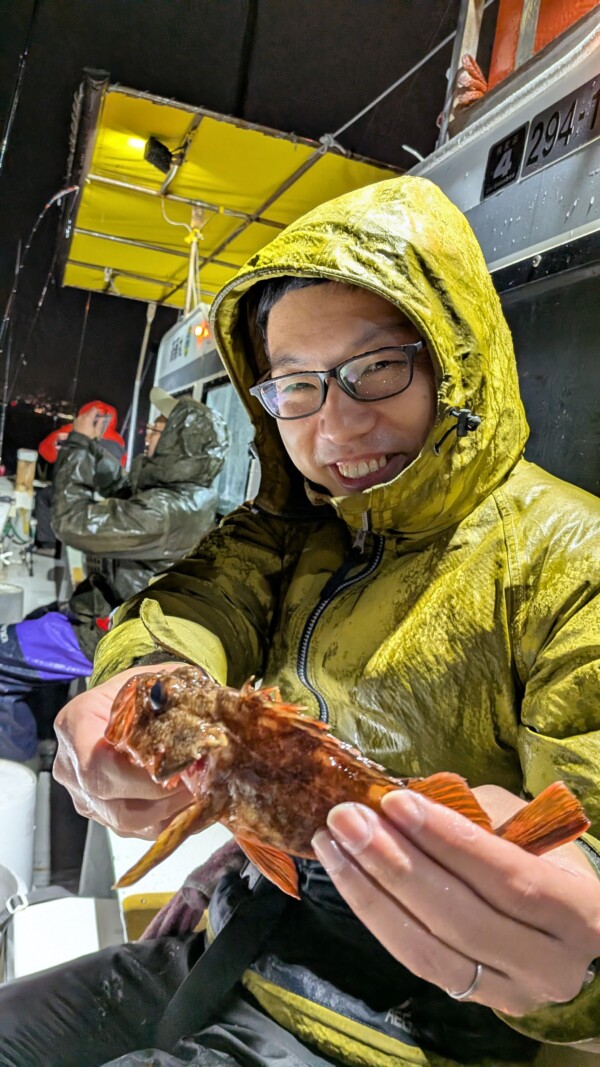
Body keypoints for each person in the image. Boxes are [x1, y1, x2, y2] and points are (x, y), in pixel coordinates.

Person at [0, 176, 598, 1067]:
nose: (338, 425)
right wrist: (137, 684)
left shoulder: (572, 561)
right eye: (295, 388)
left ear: (459, 356)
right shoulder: (291, 533)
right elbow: (194, 603)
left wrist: (573, 968)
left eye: (376, 367)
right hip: (230, 939)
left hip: (400, 1021)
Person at [0, 389, 229, 761]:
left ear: (177, 444)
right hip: (102, 609)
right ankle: (44, 740)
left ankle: (14, 766)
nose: (148, 436)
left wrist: (76, 444)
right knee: (34, 620)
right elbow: (117, 484)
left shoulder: (167, 510)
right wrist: (86, 447)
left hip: (107, 631)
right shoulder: (180, 492)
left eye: (157, 429)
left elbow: (71, 524)